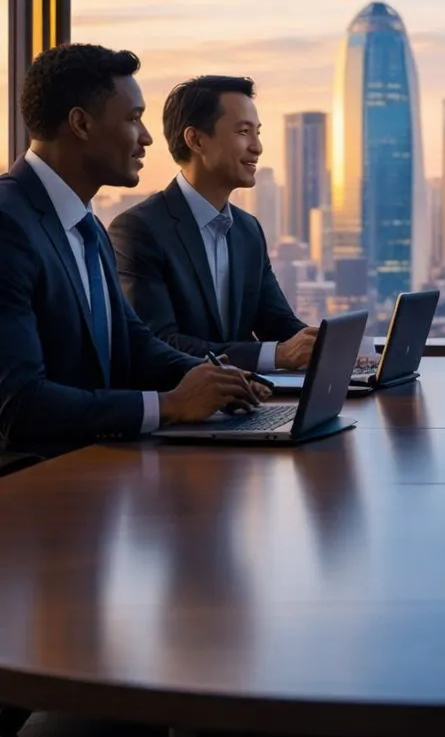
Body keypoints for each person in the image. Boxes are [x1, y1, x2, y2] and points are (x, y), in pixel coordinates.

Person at [0, 44, 264, 456]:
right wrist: (169, 405)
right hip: (33, 493)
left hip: (95, 479)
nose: (146, 138)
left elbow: (134, 342)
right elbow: (19, 405)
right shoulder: (7, 223)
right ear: (80, 124)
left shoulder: (87, 226)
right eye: (133, 119)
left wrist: (213, 376)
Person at [109, 76, 317, 373]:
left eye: (257, 133)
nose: (257, 147)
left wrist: (333, 346)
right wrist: (277, 356)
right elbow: (161, 342)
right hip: (181, 411)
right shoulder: (138, 230)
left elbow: (280, 326)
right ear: (195, 139)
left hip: (246, 405)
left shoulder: (248, 230)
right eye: (243, 132)